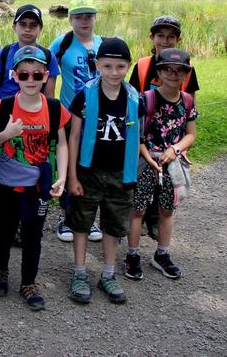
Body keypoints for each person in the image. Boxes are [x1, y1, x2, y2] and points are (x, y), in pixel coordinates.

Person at [0, 46, 70, 311]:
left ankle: (29, 282)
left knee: (33, 234)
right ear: (14, 76)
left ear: (46, 76)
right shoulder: (4, 106)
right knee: (4, 230)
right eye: (24, 74)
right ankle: (0, 270)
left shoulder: (54, 108)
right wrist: (5, 135)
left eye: (36, 74)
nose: (30, 80)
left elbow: (62, 144)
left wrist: (63, 176)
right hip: (6, 184)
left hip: (37, 186)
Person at [66, 38, 143, 305]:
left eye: (120, 67)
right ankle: (79, 271)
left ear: (128, 66)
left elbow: (137, 137)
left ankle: (108, 273)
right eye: (107, 66)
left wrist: (134, 172)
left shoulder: (135, 98)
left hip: (120, 173)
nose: (113, 72)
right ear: (97, 65)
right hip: (88, 171)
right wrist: (72, 176)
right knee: (81, 222)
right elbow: (74, 136)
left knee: (114, 225)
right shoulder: (85, 95)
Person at [125, 48, 197, 281]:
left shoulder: (187, 101)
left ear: (186, 74)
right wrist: (147, 157)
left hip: (171, 162)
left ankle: (162, 254)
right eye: (168, 70)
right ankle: (132, 255)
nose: (173, 75)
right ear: (159, 72)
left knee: (167, 210)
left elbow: (190, 134)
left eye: (179, 71)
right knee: (138, 209)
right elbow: (136, 134)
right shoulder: (146, 99)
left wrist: (175, 149)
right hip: (145, 161)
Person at [128, 15, 200, 239]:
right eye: (161, 36)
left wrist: (180, 145)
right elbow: (132, 97)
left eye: (171, 37)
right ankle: (138, 219)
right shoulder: (142, 66)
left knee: (165, 186)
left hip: (173, 138)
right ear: (152, 37)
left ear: (178, 40)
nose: (165, 41)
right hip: (145, 134)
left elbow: (191, 102)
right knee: (142, 181)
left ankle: (155, 219)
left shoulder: (187, 67)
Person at [49, 0, 104, 243]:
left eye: (88, 16)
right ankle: (66, 216)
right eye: (79, 17)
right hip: (69, 115)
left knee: (92, 166)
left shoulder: (104, 44)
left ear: (95, 18)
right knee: (68, 164)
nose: (84, 21)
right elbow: (48, 73)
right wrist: (50, 107)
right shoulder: (61, 44)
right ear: (70, 19)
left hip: (98, 116)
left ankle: (89, 218)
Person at [0, 5, 60, 102]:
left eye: (33, 25)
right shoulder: (4, 53)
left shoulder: (48, 57)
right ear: (14, 27)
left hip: (35, 109)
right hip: (4, 109)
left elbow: (49, 96)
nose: (27, 29)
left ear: (40, 29)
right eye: (22, 24)